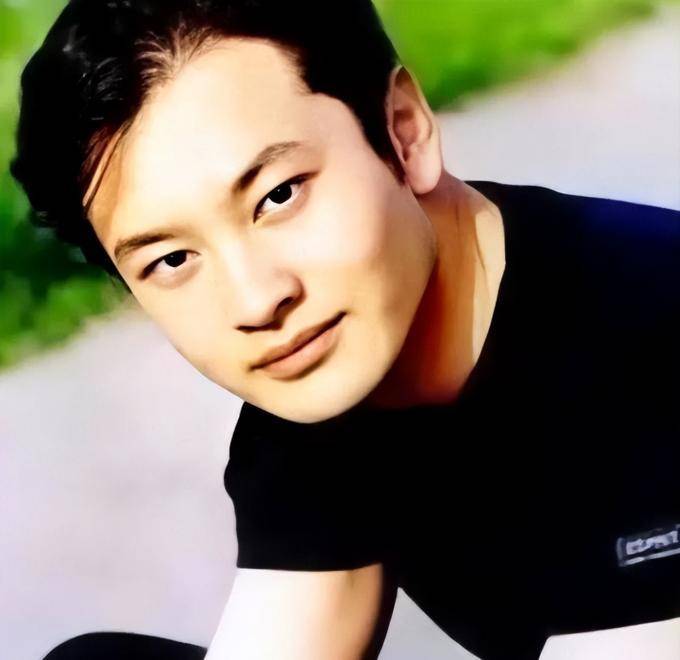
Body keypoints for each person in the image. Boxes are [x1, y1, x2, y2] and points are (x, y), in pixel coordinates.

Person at [10, 1, 679, 659]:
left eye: (279, 195)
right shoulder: (321, 371)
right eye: (172, 260)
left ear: (404, 131)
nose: (257, 300)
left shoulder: (646, 332)